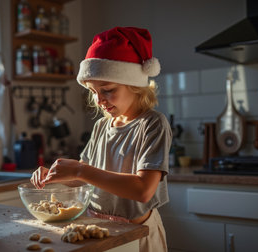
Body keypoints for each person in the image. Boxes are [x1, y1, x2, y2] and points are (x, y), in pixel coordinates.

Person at [31, 26, 172, 252]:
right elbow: (86, 178)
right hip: (97, 230)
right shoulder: (101, 126)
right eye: (93, 91)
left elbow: (143, 190)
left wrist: (79, 170)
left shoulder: (152, 124)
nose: (98, 100)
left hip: (137, 236)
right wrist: (55, 175)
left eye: (107, 90)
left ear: (135, 85)